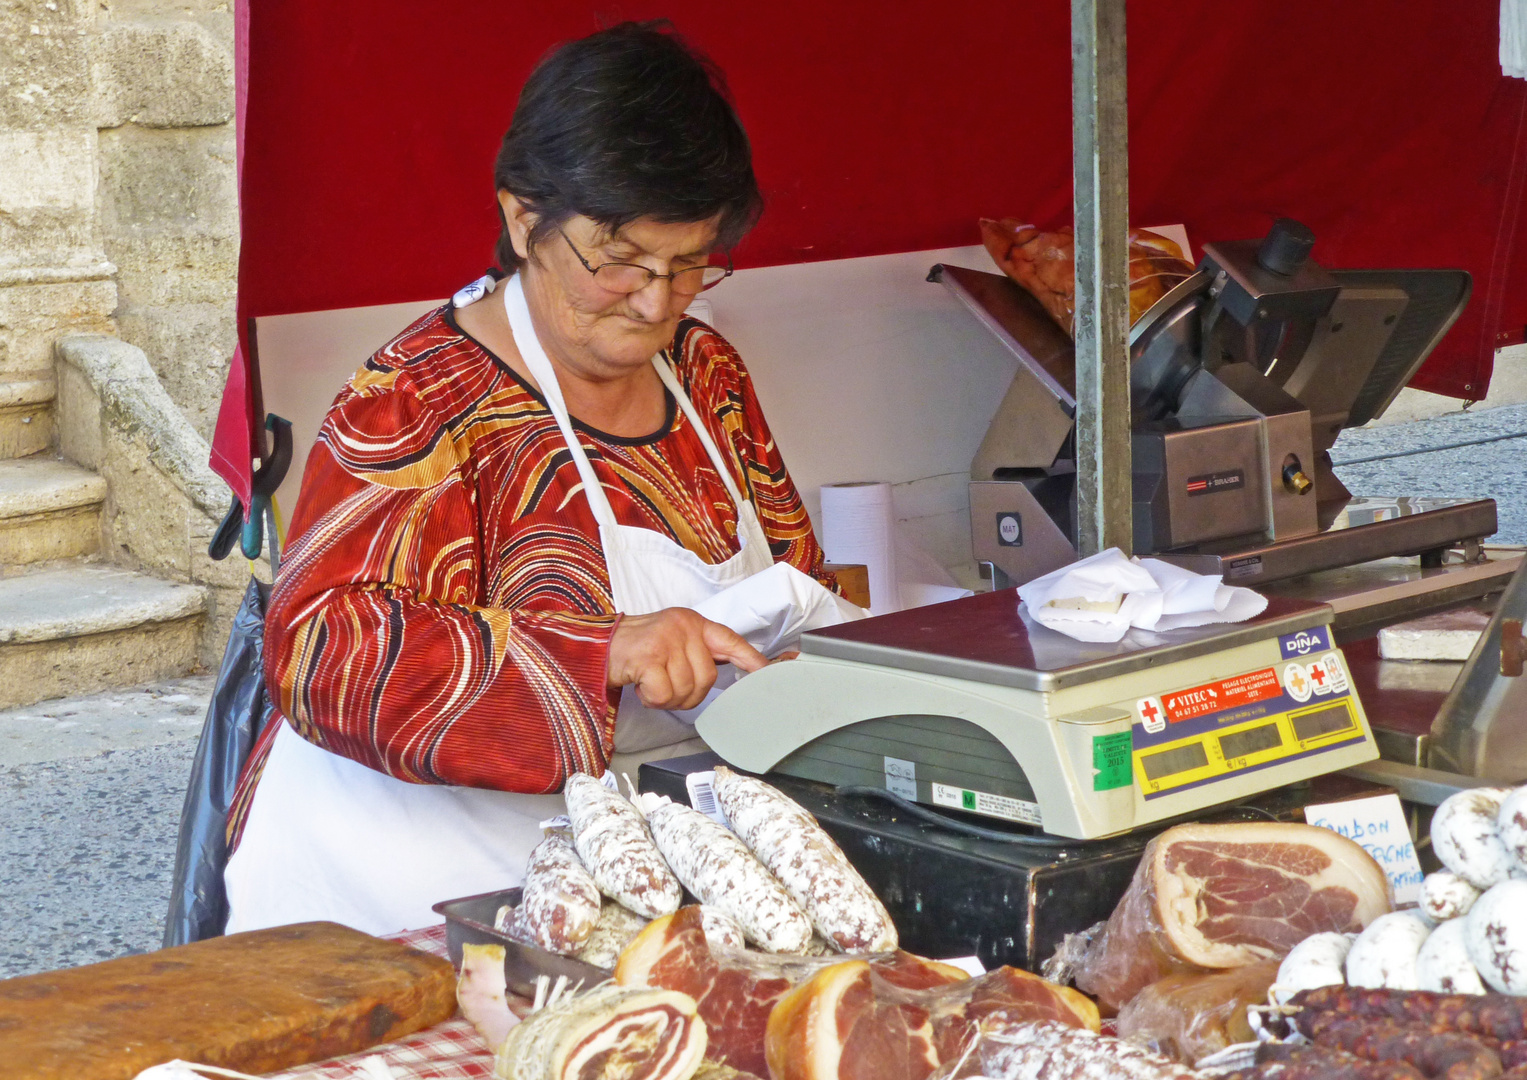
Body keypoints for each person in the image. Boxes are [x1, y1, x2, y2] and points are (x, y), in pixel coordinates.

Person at [222, 21, 863, 936]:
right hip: (400, 888)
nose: (654, 301)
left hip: (622, 875)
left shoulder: (707, 370)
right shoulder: (417, 400)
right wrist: (598, 652)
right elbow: (322, 650)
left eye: (689, 264)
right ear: (524, 219)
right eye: (619, 262)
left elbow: (792, 575)